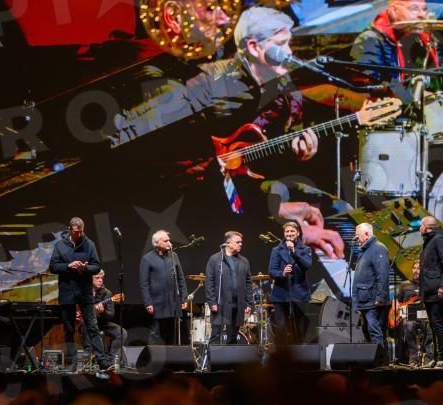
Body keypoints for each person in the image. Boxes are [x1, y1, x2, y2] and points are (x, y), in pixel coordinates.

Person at [108, 6, 345, 259]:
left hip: (236, 192)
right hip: (194, 219)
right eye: (211, 8)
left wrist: (297, 156)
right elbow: (188, 184)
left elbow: (239, 163)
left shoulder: (276, 86)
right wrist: (276, 218)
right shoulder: (197, 87)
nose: (224, 19)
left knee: (334, 206)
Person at [350, 0, 443, 108]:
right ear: (394, 11)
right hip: (387, 113)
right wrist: (413, 97)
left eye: (424, 9)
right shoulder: (369, 39)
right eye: (414, 9)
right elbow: (372, 86)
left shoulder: (417, 39)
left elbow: (437, 76)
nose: (422, 15)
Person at [49, 217, 111, 371]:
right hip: (67, 292)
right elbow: (53, 266)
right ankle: (72, 361)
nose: (78, 235)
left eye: (81, 232)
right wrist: (68, 266)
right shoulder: (60, 245)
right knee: (69, 328)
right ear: (70, 229)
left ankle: (102, 360)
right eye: (76, 232)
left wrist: (86, 268)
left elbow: (96, 266)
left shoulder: (89, 244)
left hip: (84, 292)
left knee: (92, 326)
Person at [139, 230, 189, 344]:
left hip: (173, 302)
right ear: (157, 243)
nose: (169, 243)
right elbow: (144, 283)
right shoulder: (147, 258)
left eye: (169, 240)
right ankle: (154, 354)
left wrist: (184, 298)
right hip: (157, 303)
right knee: (156, 333)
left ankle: (170, 354)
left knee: (171, 333)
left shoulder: (173, 256)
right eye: (166, 241)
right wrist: (148, 302)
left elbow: (181, 278)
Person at [418, 215, 443, 367]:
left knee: (438, 324)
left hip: (436, 290)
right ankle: (435, 357)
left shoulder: (439, 239)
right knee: (433, 325)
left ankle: (441, 358)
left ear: (426, 227)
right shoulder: (428, 241)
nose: (419, 228)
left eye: (421, 225)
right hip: (428, 290)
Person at [268, 221, 313, 344]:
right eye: (287, 231)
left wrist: (294, 252)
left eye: (292, 231)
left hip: (299, 294)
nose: (289, 233)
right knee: (281, 328)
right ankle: (282, 354)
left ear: (297, 233)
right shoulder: (276, 250)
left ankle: (299, 353)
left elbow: (307, 265)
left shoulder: (305, 249)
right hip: (281, 294)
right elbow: (272, 271)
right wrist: (282, 274)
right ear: (284, 234)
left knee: (299, 329)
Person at [205, 231, 253, 343]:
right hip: (220, 304)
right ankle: (213, 355)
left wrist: (249, 303)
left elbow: (248, 283)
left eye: (241, 242)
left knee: (233, 337)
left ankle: (231, 354)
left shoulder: (244, 261)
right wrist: (212, 302)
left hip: (238, 304)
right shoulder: (215, 259)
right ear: (228, 243)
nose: (241, 244)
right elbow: (209, 282)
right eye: (238, 242)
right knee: (216, 335)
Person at [352, 223, 390, 353]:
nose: (356, 238)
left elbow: (383, 275)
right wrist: (356, 302)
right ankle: (377, 359)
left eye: (358, 235)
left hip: (373, 301)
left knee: (375, 331)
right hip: (365, 300)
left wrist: (380, 297)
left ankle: (380, 361)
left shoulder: (378, 248)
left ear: (367, 234)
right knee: (367, 331)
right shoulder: (364, 250)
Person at [80, 270, 129, 363]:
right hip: (87, 324)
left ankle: (111, 360)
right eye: (97, 278)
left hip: (102, 323)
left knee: (122, 333)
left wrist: (103, 312)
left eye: (101, 278)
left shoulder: (107, 293)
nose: (100, 280)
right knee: (85, 324)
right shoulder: (83, 292)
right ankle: (87, 358)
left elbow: (111, 314)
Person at [395, 260, 432, 365]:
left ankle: (429, 358)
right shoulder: (404, 285)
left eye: (419, 268)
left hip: (425, 317)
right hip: (411, 318)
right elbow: (397, 301)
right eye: (414, 268)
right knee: (408, 325)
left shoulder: (428, 285)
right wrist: (396, 305)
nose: (416, 270)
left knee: (431, 326)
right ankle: (413, 356)